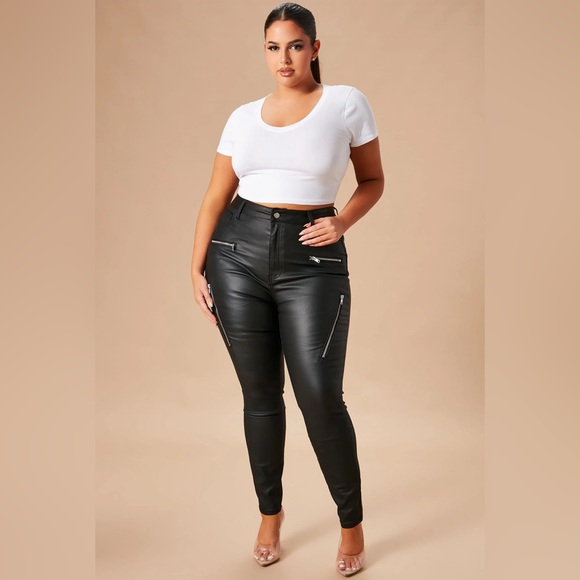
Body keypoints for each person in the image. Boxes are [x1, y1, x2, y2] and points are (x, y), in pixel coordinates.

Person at [190, 2, 384, 576]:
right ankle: (269, 516)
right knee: (259, 395)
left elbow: (373, 179)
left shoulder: (346, 103)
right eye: (273, 47)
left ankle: (351, 525)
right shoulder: (242, 117)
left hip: (312, 260)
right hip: (235, 255)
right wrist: (195, 267)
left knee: (320, 396)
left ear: (315, 48)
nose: (284, 58)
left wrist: (341, 222)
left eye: (295, 45)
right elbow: (215, 195)